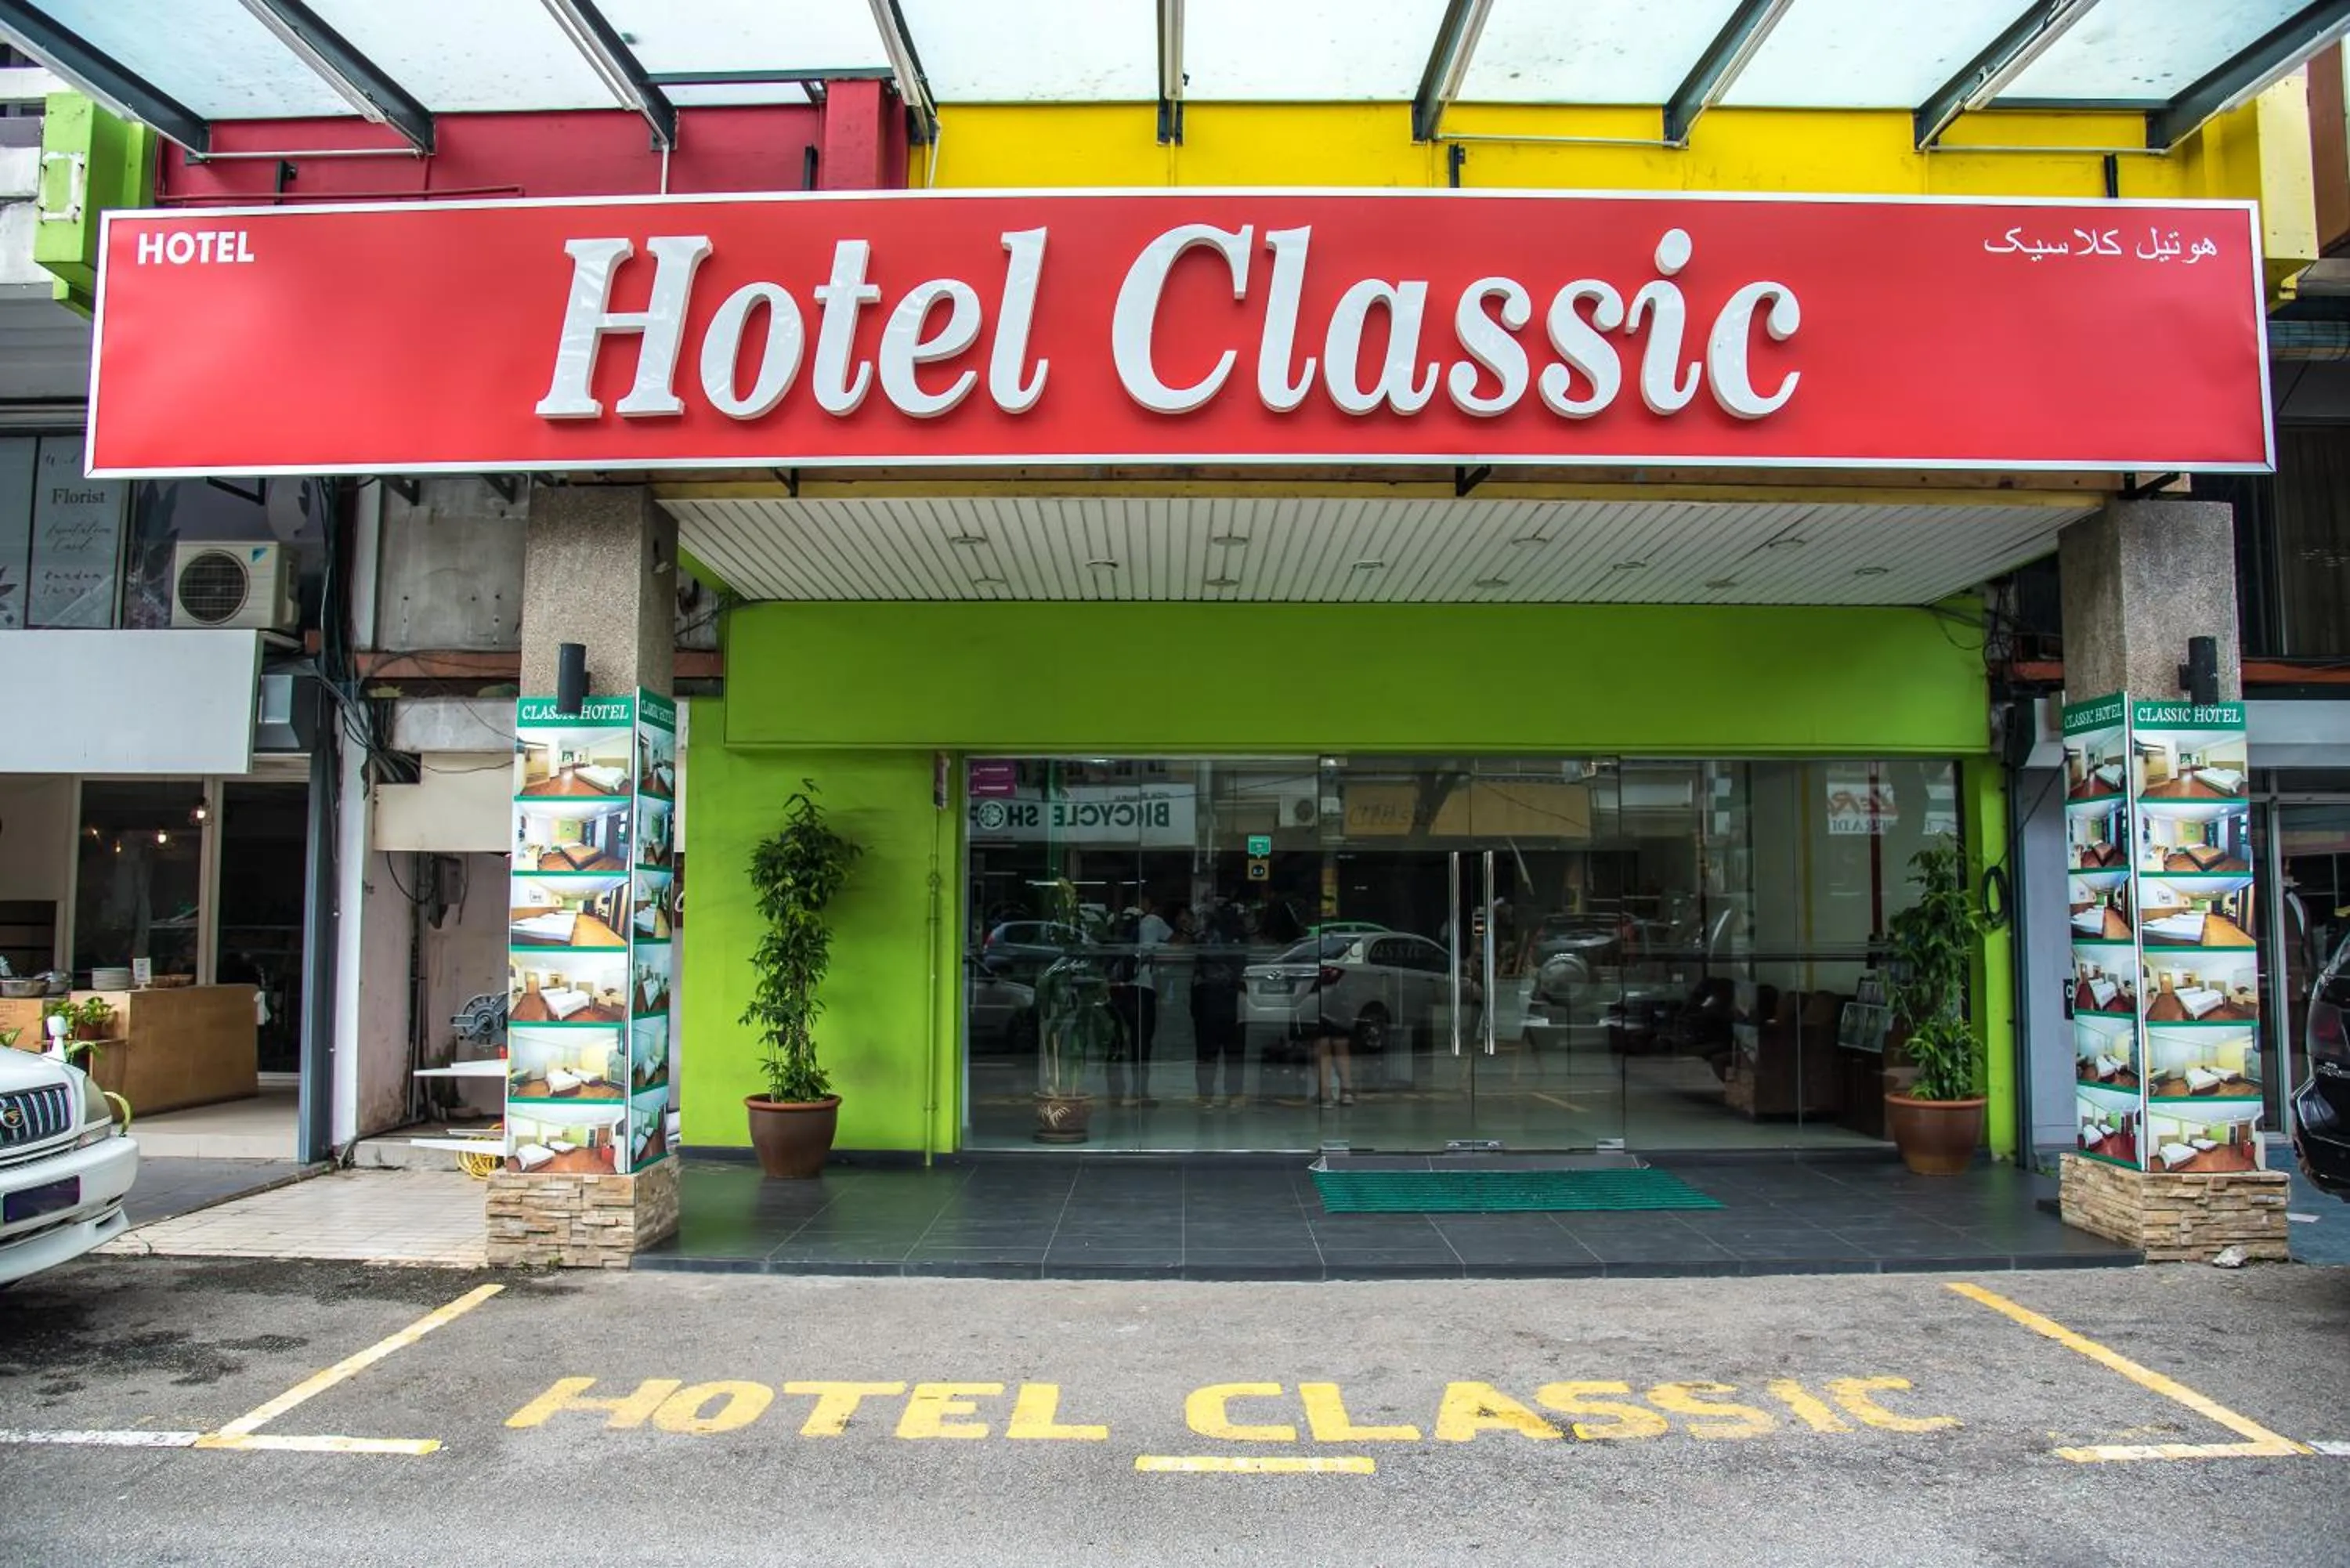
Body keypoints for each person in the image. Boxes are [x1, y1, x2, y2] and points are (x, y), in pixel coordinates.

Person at [1107, 894, 1173, 1107]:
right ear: (1147, 903)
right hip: (1142, 988)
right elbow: (1176, 942)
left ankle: (1115, 1094)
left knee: (1117, 1042)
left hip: (1116, 989)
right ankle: (1140, 1093)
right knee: (1141, 1043)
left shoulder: (1113, 921)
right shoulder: (1152, 921)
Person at [1191, 899, 1249, 1107]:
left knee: (1206, 1051)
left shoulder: (1203, 936)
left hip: (1207, 997)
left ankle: (1206, 1095)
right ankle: (1233, 1094)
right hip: (1231, 996)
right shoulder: (1239, 936)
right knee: (1234, 1050)